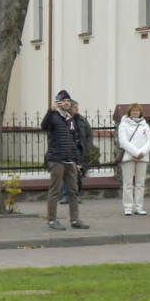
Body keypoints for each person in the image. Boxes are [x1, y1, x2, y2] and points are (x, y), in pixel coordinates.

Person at [41, 90, 89, 231]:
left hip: (70, 161)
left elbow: (74, 141)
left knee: (73, 191)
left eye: (69, 100)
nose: (67, 103)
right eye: (64, 100)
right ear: (58, 102)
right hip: (57, 160)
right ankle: (51, 221)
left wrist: (77, 161)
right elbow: (44, 126)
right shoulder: (53, 117)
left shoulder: (70, 119)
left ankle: (75, 220)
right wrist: (51, 110)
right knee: (55, 191)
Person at [118, 103, 150, 216]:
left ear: (140, 112)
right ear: (129, 112)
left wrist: (142, 153)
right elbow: (123, 142)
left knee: (140, 183)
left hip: (143, 157)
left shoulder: (145, 126)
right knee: (128, 183)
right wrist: (136, 153)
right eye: (133, 111)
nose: (135, 112)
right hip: (128, 157)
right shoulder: (123, 125)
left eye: (137, 111)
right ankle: (128, 207)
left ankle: (139, 207)